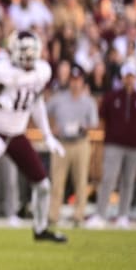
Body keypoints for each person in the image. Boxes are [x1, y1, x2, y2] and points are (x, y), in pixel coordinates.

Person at [0, 31, 68, 242]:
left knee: (42, 184)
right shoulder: (2, 71)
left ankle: (40, 228)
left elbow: (36, 103)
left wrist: (47, 135)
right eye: (25, 54)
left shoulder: (41, 72)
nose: (28, 59)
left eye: (31, 54)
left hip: (18, 135)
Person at [85, 61, 136, 229]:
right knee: (108, 179)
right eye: (127, 76)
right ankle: (101, 214)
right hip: (113, 145)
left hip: (134, 146)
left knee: (128, 181)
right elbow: (99, 116)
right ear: (122, 77)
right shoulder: (112, 97)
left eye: (132, 76)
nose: (129, 80)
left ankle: (123, 215)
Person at [46, 64, 98, 227]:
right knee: (57, 181)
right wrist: (52, 128)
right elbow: (44, 112)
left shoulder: (88, 101)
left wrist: (83, 127)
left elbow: (94, 123)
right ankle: (53, 215)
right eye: (73, 80)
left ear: (82, 82)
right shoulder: (59, 98)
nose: (75, 83)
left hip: (80, 142)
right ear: (70, 82)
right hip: (61, 142)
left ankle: (79, 214)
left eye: (78, 80)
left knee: (81, 180)